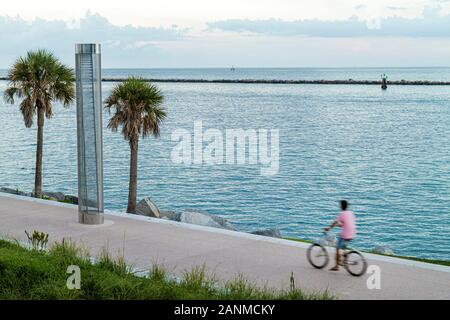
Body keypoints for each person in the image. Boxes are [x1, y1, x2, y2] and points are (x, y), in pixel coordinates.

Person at [324, 200, 356, 271]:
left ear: (341, 206)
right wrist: (341, 225)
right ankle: (345, 255)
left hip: (346, 234)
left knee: (337, 248)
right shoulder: (350, 213)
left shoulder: (342, 214)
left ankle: (336, 266)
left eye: (340, 205)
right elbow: (347, 223)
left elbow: (335, 222)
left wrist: (328, 228)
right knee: (343, 243)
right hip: (352, 233)